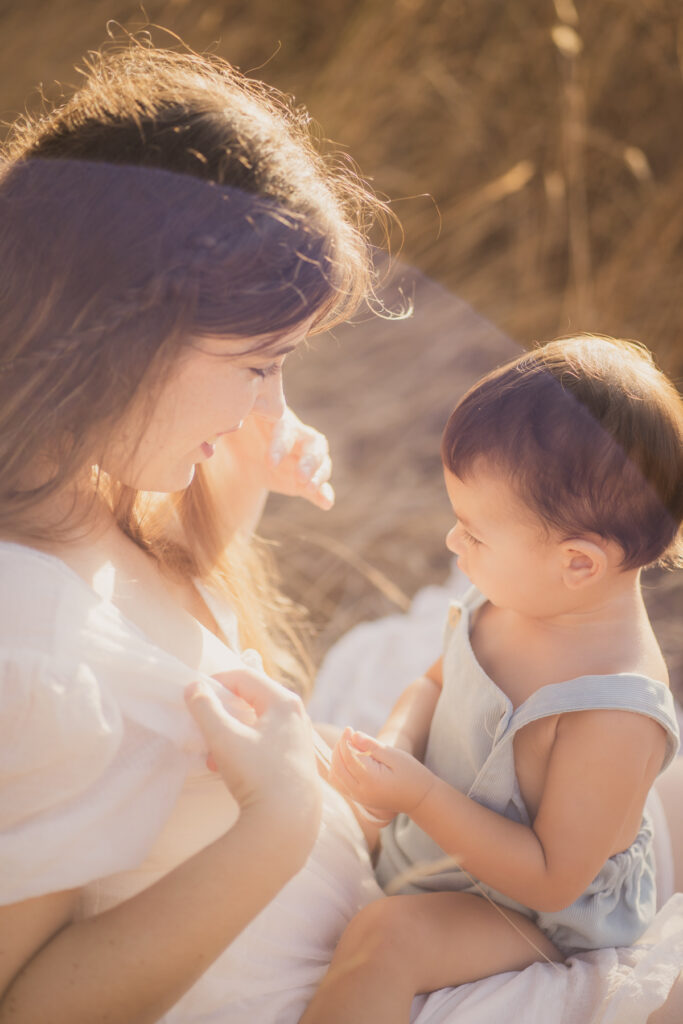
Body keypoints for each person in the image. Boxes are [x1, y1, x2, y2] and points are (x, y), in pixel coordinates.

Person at [1, 39, 682, 1024]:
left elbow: (169, 633)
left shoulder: (81, 496)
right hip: (344, 991)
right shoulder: (28, 653)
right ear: (128, 343)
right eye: (259, 362)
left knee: (642, 798)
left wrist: (233, 478)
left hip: (381, 898)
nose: (268, 403)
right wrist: (276, 823)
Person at [300, 335, 683, 1024]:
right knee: (303, 750)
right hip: (439, 836)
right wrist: (394, 747)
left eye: (473, 533)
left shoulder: (613, 712)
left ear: (576, 564)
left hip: (529, 911)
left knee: (383, 938)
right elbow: (434, 681)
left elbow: (551, 877)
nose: (453, 545)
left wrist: (417, 793)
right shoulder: (511, 599)